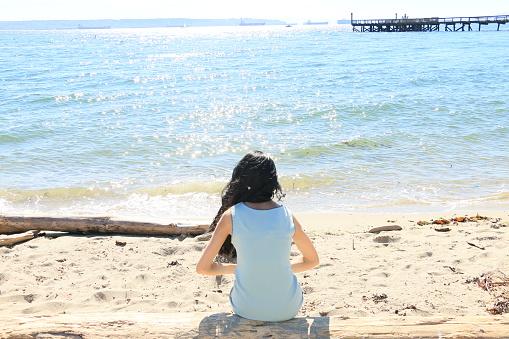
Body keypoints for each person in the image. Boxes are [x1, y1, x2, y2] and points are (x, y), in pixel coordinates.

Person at [196, 151, 319, 322]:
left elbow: (203, 268)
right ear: (273, 181)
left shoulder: (231, 216)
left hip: (246, 308)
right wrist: (275, 268)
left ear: (241, 179)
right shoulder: (287, 216)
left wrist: (240, 269)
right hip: (288, 309)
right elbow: (312, 260)